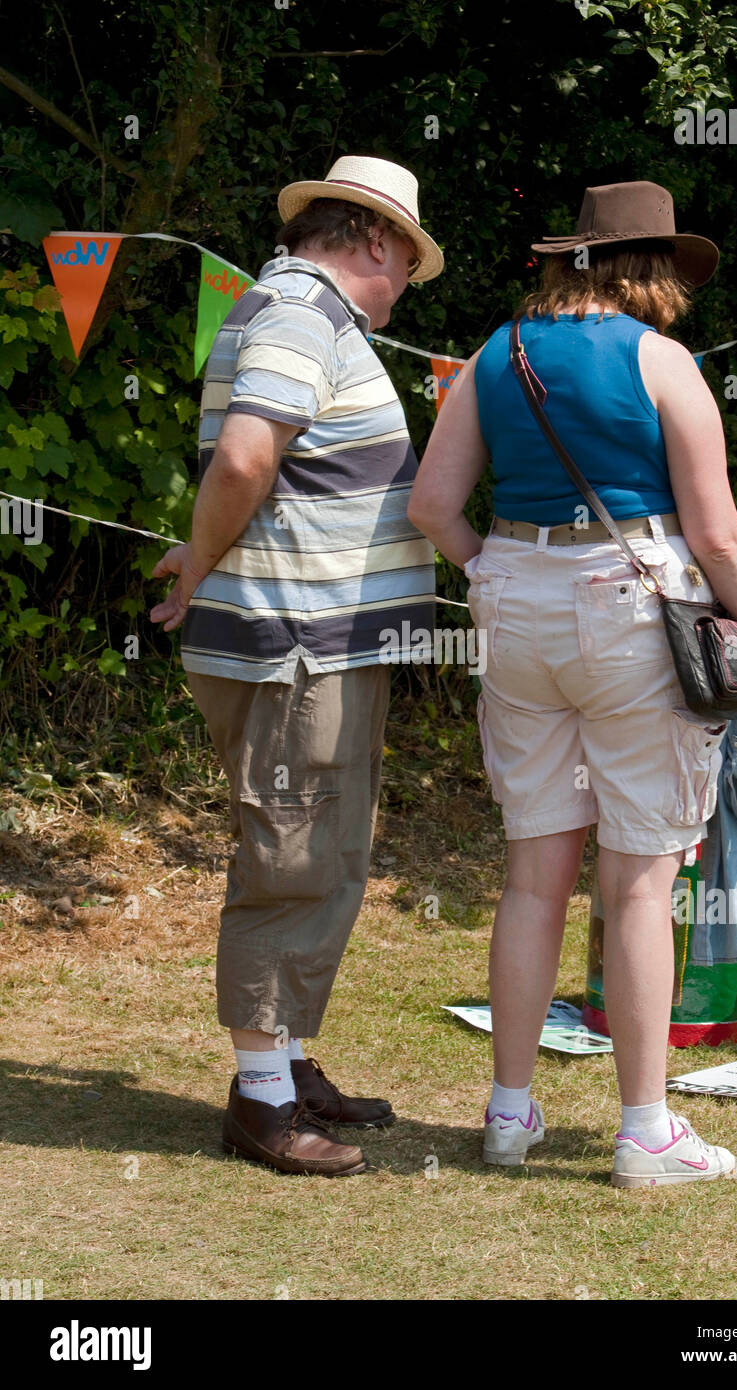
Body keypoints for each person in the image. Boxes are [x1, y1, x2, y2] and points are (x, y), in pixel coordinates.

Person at [408, 180, 737, 1187]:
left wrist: (491, 568)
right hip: (633, 607)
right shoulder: (660, 361)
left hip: (517, 599)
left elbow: (433, 503)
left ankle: (505, 1112)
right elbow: (712, 533)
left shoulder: (496, 353)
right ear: (647, 267)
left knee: (534, 871)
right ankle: (644, 1130)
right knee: (637, 880)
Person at [149, 156, 443, 1176]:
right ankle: (260, 1096)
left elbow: (258, 473)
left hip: (314, 641)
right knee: (290, 860)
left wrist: (199, 554)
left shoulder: (299, 313)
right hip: (294, 645)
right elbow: (242, 460)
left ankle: (288, 1055)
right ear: (375, 240)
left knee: (321, 853)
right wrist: (209, 558)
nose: (407, 277)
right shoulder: (298, 315)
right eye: (409, 256)